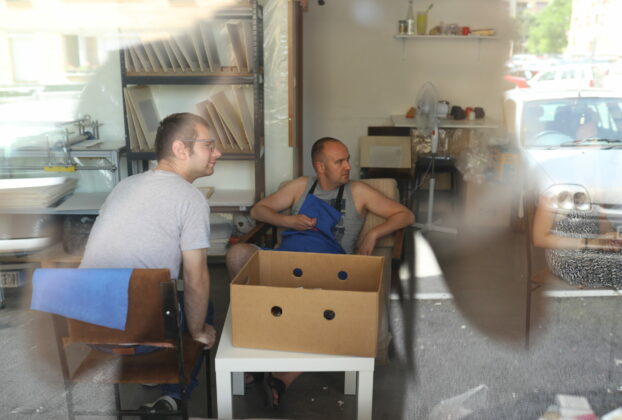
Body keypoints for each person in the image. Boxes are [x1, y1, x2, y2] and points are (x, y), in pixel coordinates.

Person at [226, 137, 414, 407]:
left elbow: (405, 215)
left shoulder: (358, 191)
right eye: (340, 162)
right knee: (237, 254)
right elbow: (258, 210)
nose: (348, 166)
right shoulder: (302, 186)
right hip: (285, 263)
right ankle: (255, 338)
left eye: (348, 160)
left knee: (325, 308)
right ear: (320, 167)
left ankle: (282, 375)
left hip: (328, 273)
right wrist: (288, 220)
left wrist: (374, 233)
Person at [80, 112, 221, 413]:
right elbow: (196, 279)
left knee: (164, 299)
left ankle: (151, 370)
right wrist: (197, 331)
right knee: (202, 307)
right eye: (209, 145)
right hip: (143, 334)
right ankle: (173, 397)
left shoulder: (125, 186)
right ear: (181, 149)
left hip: (87, 327)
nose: (217, 153)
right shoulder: (190, 198)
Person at [532, 194, 622, 288]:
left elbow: (603, 226)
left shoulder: (595, 188)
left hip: (596, 245)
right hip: (565, 255)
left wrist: (610, 238)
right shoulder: (553, 192)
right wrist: (591, 242)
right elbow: (539, 239)